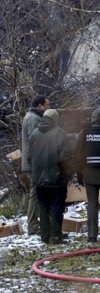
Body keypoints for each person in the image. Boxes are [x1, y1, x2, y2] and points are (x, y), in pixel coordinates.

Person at [28, 109, 73, 244]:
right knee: (57, 207)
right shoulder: (60, 133)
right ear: (55, 119)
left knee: (43, 206)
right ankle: (56, 236)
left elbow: (29, 157)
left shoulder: (34, 134)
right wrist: (67, 174)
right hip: (56, 178)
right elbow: (65, 157)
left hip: (38, 179)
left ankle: (45, 236)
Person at [74, 108, 100, 243]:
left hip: (89, 173)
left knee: (92, 204)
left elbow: (78, 154)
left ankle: (92, 236)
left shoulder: (84, 133)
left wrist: (79, 173)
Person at [21, 95, 49, 235]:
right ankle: (33, 225)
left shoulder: (31, 117)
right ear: (40, 105)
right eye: (46, 105)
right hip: (35, 163)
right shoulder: (33, 119)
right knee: (36, 194)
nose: (48, 107)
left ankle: (35, 224)